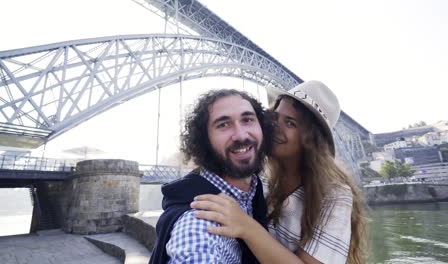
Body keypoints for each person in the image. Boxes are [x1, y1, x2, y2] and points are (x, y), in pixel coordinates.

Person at [191, 81, 367, 264]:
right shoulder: (258, 178)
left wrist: (246, 226)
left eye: (290, 123)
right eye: (275, 117)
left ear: (311, 139)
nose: (275, 127)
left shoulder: (335, 194)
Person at [148, 89, 275, 264]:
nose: (241, 135)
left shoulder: (254, 190)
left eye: (248, 120)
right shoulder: (200, 221)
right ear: (204, 139)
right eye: (223, 124)